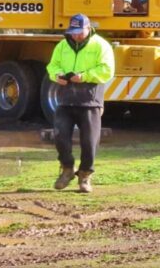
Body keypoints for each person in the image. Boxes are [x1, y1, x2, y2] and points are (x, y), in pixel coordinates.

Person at [46, 13, 115, 193]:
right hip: (66, 100)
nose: (76, 36)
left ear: (88, 28)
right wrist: (57, 75)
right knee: (60, 136)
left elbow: (107, 70)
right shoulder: (62, 46)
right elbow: (52, 65)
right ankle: (67, 169)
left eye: (79, 32)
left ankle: (85, 176)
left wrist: (84, 77)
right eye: (73, 32)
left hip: (90, 101)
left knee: (89, 142)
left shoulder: (101, 45)